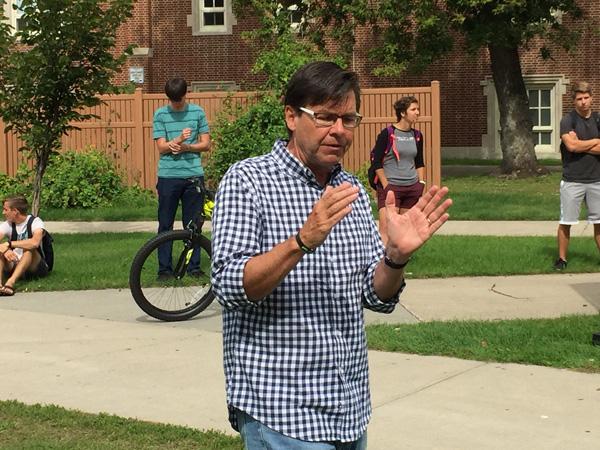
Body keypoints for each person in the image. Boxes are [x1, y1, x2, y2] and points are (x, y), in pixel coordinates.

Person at [211, 61, 451, 449]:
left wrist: (395, 259)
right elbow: (229, 286)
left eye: (349, 119)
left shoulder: (351, 191)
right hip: (281, 411)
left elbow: (375, 296)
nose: (339, 131)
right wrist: (301, 241)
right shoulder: (248, 181)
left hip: (349, 409)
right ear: (291, 116)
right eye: (324, 117)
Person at [153, 77, 211, 279]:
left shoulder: (197, 112)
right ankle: (164, 269)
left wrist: (188, 147)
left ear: (186, 94)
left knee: (193, 224)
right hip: (168, 175)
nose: (176, 103)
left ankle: (193, 267)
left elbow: (206, 144)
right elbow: (161, 147)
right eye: (172, 99)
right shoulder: (160, 114)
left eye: (179, 99)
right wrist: (176, 141)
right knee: (165, 223)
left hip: (193, 174)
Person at [553, 81, 600, 271]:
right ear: (574, 101)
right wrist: (596, 141)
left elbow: (577, 145)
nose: (583, 102)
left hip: (597, 179)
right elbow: (571, 146)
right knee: (567, 222)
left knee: (599, 222)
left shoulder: (598, 119)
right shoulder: (568, 121)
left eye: (586, 98)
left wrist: (582, 143)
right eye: (579, 99)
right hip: (572, 180)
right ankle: (562, 259)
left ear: (591, 98)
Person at [370, 96, 426, 244]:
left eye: (418, 109)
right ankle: (381, 261)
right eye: (413, 109)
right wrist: (386, 186)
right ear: (402, 113)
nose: (417, 112)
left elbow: (419, 161)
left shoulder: (417, 135)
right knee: (386, 229)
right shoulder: (387, 133)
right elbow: (377, 163)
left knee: (405, 230)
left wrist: (421, 183)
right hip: (391, 187)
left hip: (412, 187)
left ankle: (399, 262)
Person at [0, 195, 49, 296]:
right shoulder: (8, 224)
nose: (3, 212)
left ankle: (10, 283)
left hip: (35, 266)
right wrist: (5, 250)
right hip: (14, 263)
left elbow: (35, 243)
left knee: (29, 249)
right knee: (0, 251)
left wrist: (9, 244)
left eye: (5, 209)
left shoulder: (35, 222)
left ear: (15, 211)